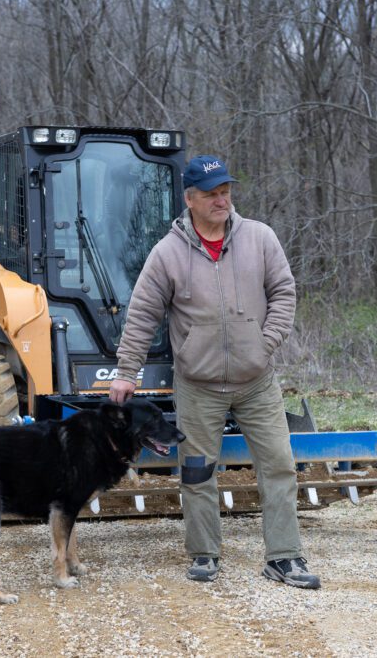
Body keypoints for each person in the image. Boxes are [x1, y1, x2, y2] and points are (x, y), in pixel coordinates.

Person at [109, 154, 319, 589]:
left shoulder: (260, 238)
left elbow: (284, 292)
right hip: (198, 386)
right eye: (211, 194)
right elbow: (143, 313)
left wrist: (264, 344)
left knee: (279, 466)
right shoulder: (167, 253)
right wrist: (127, 371)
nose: (222, 200)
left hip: (256, 383)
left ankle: (284, 557)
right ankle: (204, 553)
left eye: (225, 192)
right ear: (190, 199)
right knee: (196, 470)